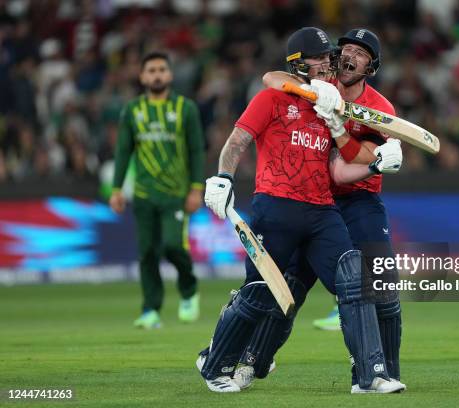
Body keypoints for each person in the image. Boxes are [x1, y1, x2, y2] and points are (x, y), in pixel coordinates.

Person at [195, 27, 404, 394]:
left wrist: (372, 161)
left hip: (327, 208)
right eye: (324, 57)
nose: (331, 63)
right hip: (276, 205)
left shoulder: (338, 105)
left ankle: (371, 376)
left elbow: (340, 169)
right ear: (299, 63)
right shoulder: (279, 97)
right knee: (265, 290)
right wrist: (222, 177)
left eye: (330, 57)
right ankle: (221, 362)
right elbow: (241, 133)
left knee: (357, 278)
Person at [110, 51, 205, 329]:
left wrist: (196, 188)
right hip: (143, 194)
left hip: (175, 193)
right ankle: (151, 309)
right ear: (141, 77)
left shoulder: (185, 108)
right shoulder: (132, 110)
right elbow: (123, 151)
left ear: (170, 75)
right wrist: (116, 189)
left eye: (161, 69)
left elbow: (197, 150)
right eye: (150, 70)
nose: (156, 75)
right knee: (148, 253)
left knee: (173, 245)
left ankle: (188, 289)